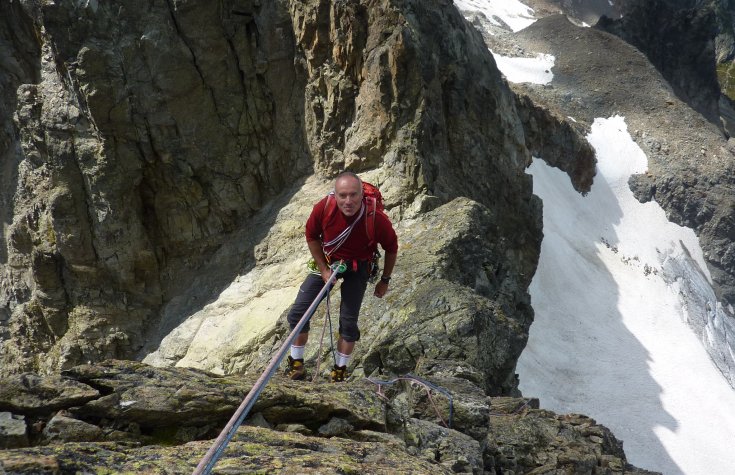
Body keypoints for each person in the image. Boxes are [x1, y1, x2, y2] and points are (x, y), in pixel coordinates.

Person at [285, 171, 398, 382]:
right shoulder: (324, 208)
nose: (348, 201)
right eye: (343, 195)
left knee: (348, 323)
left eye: (353, 195)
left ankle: (339, 371)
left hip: (359, 267)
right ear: (335, 195)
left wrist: (385, 280)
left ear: (362, 195)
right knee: (298, 313)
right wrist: (324, 269)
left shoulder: (375, 218)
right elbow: (311, 235)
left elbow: (392, 247)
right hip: (328, 262)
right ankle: (297, 365)